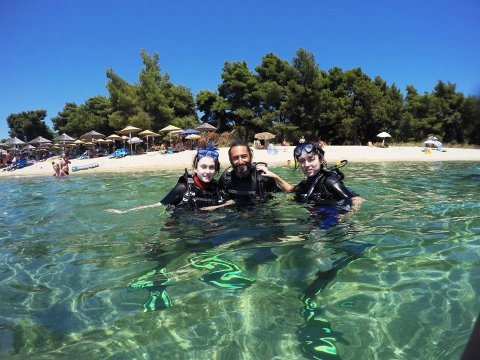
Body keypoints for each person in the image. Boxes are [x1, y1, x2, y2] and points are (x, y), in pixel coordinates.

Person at [107, 147, 224, 214]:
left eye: (211, 167)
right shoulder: (183, 188)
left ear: (215, 170)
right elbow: (158, 204)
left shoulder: (216, 188)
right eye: (203, 167)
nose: (207, 171)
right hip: (178, 221)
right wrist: (124, 212)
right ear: (195, 168)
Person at [217, 140, 291, 203]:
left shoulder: (262, 178)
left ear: (251, 157)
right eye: (235, 158)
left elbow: (282, 196)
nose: (240, 161)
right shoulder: (226, 178)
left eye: (244, 156)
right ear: (230, 160)